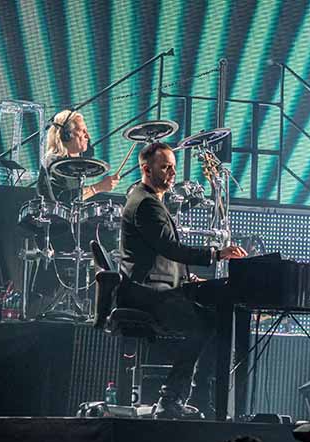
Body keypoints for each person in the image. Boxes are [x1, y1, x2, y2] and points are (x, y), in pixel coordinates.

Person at [118, 141, 247, 419]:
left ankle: (187, 395)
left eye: (173, 167)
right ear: (146, 169)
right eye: (165, 167)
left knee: (211, 319)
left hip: (155, 287)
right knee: (204, 324)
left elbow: (159, 253)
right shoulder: (146, 205)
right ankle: (173, 398)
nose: (171, 173)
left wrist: (187, 277)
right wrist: (217, 253)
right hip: (147, 293)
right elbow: (170, 249)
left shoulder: (148, 200)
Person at [37, 109, 120, 202]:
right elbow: (61, 200)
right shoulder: (53, 162)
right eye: (82, 131)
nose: (88, 136)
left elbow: (75, 198)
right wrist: (98, 188)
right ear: (67, 135)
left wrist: (99, 188)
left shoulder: (73, 163)